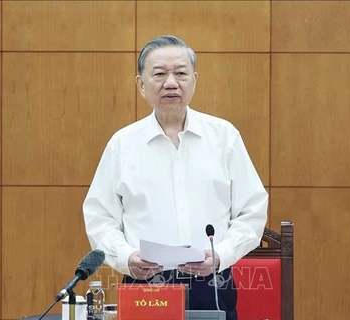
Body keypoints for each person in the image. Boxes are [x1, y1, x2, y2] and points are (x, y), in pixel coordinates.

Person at [83, 35, 268, 320]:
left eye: (180, 73)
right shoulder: (123, 144)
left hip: (212, 282)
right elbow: (99, 216)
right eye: (159, 74)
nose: (171, 82)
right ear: (141, 84)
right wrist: (125, 257)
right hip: (144, 282)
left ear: (194, 80)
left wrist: (221, 254)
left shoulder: (224, 137)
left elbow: (253, 211)